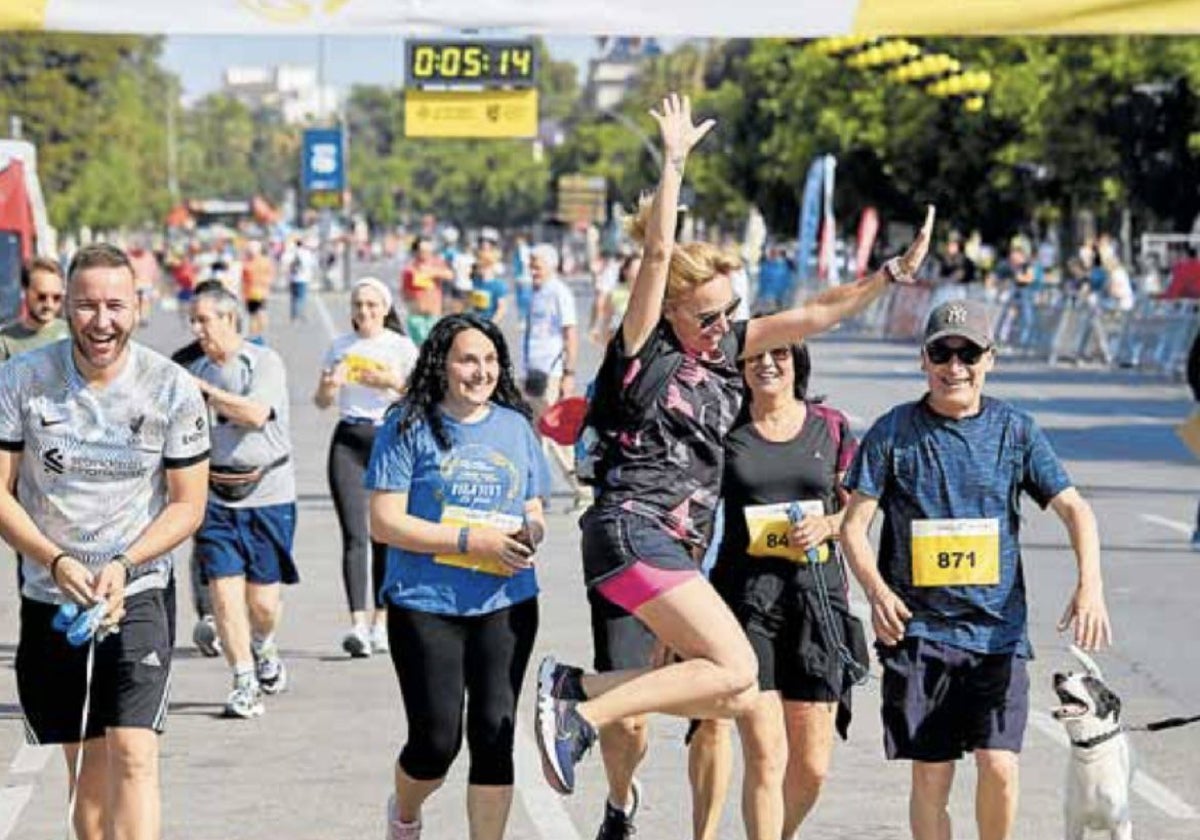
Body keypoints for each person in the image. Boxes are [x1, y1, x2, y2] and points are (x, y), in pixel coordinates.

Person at [533, 92, 936, 804]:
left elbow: (816, 313)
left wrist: (890, 276)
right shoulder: (643, 352)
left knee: (731, 686)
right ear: (673, 313)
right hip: (633, 527)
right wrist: (676, 161)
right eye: (707, 316)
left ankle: (577, 689)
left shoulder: (730, 354)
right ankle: (583, 712)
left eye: (731, 313)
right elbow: (658, 249)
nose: (723, 327)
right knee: (736, 666)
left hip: (670, 545)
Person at [839, 299, 1113, 840]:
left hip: (997, 635)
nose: (955, 366)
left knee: (1000, 766)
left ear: (990, 359)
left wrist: (1091, 586)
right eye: (943, 351)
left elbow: (1075, 508)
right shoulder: (894, 432)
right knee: (932, 778)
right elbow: (853, 526)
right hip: (920, 634)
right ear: (924, 359)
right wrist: (875, 592)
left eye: (968, 353)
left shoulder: (1016, 431)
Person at [0, 243, 210, 840]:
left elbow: (188, 503)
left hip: (136, 588)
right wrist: (54, 559)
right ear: (65, 306)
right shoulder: (20, 382)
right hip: (53, 594)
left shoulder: (171, 388)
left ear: (138, 307)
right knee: (88, 773)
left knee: (135, 752)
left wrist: (125, 561)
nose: (101, 320)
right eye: (86, 305)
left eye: (115, 305)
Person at [366, 314, 550, 840]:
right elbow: (385, 522)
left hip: (506, 601)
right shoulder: (407, 423)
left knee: (495, 734)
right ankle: (404, 813)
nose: (481, 370)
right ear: (441, 364)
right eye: (469, 359)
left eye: (491, 360)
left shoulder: (515, 425)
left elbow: (534, 505)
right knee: (435, 744)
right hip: (425, 603)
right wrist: (474, 541)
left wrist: (528, 534)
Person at [688, 340, 862, 840]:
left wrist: (829, 525)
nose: (767, 364)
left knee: (811, 767)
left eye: (779, 354)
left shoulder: (830, 426)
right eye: (754, 357)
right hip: (744, 602)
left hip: (817, 602)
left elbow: (860, 507)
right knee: (766, 754)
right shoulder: (725, 431)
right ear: (739, 369)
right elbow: (696, 522)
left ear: (797, 363)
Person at [184, 280, 299, 719]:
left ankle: (264, 645)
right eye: (193, 320)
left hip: (268, 494)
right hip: (216, 499)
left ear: (230, 319)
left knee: (263, 605)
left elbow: (253, 413)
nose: (197, 328)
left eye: (204, 319)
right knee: (225, 596)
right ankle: (243, 681)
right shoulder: (194, 368)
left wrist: (206, 394)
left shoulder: (264, 362)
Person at [314, 277, 418, 657]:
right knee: (355, 535)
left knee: (385, 534)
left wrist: (393, 381)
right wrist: (331, 383)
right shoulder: (340, 347)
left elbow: (425, 396)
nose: (365, 312)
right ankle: (357, 622)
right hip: (349, 439)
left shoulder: (402, 347)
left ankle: (382, 620)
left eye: (372, 305)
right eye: (358, 305)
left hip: (388, 439)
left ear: (386, 308)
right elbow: (322, 400)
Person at [523, 242, 586, 509]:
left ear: (551, 264)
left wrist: (569, 373)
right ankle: (537, 490)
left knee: (557, 433)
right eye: (531, 264)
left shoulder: (560, 292)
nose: (533, 269)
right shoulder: (536, 293)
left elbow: (570, 334)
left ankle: (582, 488)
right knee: (534, 433)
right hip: (533, 371)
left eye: (537, 264)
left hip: (551, 371)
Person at [0, 256, 68, 361]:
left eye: (56, 298)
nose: (49, 305)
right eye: (42, 297)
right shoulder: (5, 341)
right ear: (25, 291)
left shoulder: (73, 335)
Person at [401, 236, 453, 345]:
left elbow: (450, 275)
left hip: (433, 314)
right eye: (422, 251)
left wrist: (433, 273)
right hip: (416, 315)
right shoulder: (410, 269)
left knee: (434, 346)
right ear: (416, 252)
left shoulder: (436, 263)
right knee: (420, 347)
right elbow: (404, 291)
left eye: (429, 251)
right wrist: (410, 305)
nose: (426, 254)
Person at [468, 230, 509, 323]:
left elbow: (502, 308)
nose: (484, 244)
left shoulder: (498, 284)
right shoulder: (475, 280)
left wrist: (492, 325)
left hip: (489, 324)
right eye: (482, 241)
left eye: (488, 241)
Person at [242, 239, 276, 338]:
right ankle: (257, 334)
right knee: (257, 313)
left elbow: (270, 274)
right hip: (253, 292)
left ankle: (257, 334)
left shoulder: (249, 263)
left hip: (256, 292)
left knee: (257, 314)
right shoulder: (251, 262)